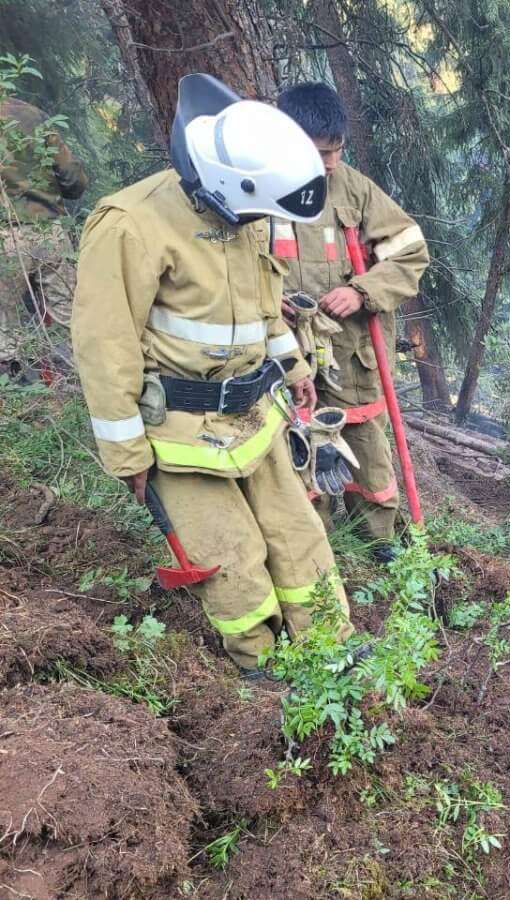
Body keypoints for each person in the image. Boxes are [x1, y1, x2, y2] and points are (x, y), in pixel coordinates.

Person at [71, 74, 355, 679]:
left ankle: (330, 649)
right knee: (232, 558)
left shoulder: (244, 211)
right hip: (179, 432)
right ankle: (263, 669)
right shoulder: (130, 226)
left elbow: (263, 301)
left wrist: (293, 364)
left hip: (255, 414)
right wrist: (126, 454)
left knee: (298, 536)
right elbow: (104, 345)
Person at [273, 82, 430, 563]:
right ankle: (319, 550)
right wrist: (265, 299)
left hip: (350, 354)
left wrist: (362, 291)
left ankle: (378, 543)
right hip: (281, 353)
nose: (330, 164)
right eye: (322, 153)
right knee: (291, 443)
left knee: (366, 446)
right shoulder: (254, 186)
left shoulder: (354, 189)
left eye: (337, 151)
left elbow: (410, 254)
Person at [0, 95, 88, 379]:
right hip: (50, 232)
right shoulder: (31, 114)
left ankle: (16, 404)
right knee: (69, 318)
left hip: (5, 237)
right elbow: (74, 179)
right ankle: (80, 390)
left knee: (5, 330)